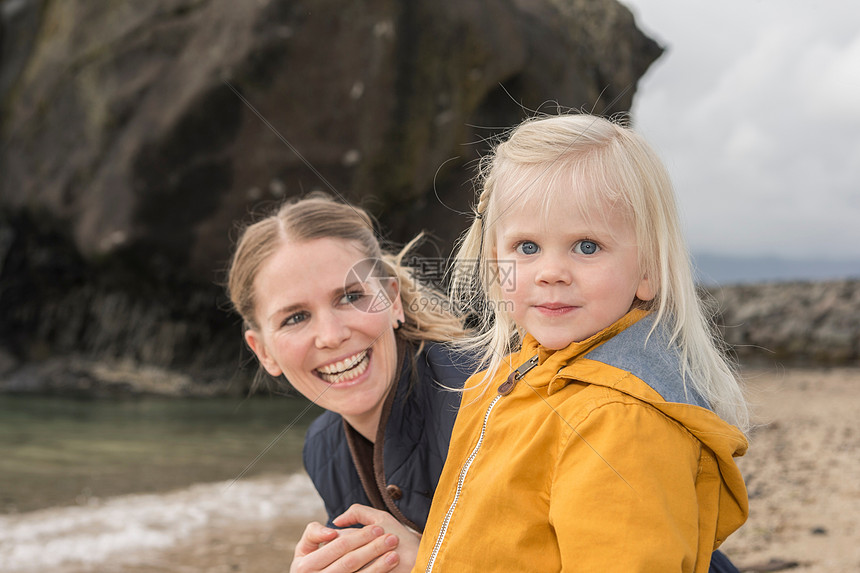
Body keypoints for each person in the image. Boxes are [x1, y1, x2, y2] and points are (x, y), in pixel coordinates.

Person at [411, 113, 750, 572]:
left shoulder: (618, 420)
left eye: (586, 246)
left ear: (648, 269)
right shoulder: (507, 382)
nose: (551, 272)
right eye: (527, 247)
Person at [226, 194, 474, 572]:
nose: (331, 335)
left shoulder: (481, 395)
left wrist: (430, 563)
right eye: (295, 318)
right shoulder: (323, 448)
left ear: (392, 300)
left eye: (350, 297)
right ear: (263, 352)